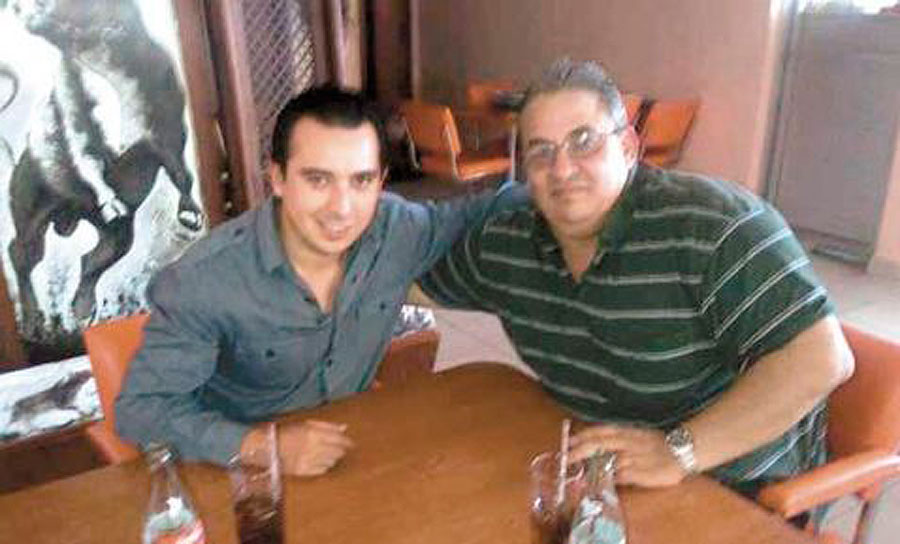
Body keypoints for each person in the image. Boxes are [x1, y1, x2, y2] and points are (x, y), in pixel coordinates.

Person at [418, 59, 855, 504]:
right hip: (604, 474)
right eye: (541, 151)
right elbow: (408, 278)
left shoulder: (713, 228)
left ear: (628, 146)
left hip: (735, 488)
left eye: (583, 141)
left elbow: (821, 359)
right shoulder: (508, 242)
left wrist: (679, 452)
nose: (562, 169)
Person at [116, 86, 523, 476]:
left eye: (361, 181)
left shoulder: (395, 228)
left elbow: (480, 211)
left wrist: (555, 186)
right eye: (318, 179)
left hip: (347, 457)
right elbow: (141, 411)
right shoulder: (205, 280)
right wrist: (264, 448)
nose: (342, 208)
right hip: (239, 475)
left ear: (381, 181)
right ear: (278, 178)